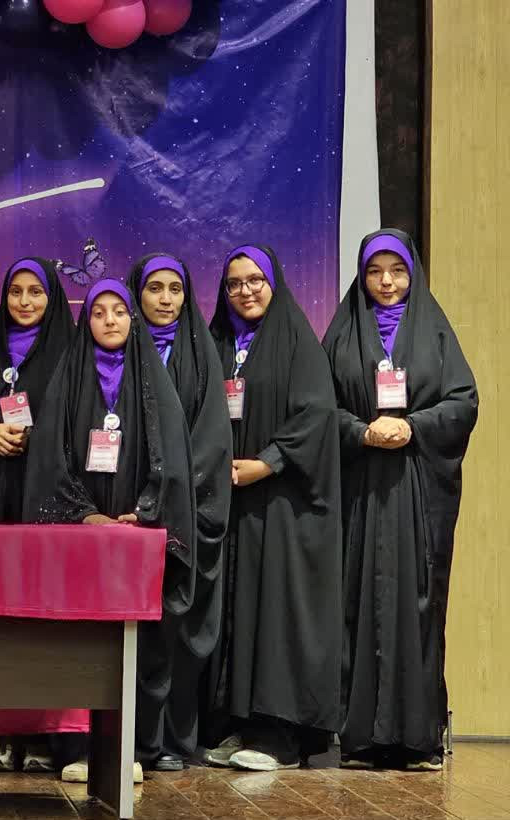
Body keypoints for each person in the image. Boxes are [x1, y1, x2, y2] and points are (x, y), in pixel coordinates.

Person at [23, 278, 196, 785]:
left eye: (118, 311)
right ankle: (77, 746)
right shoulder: (69, 377)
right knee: (79, 643)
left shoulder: (153, 380)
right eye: (98, 313)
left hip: (135, 541)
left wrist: (144, 511)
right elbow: (50, 460)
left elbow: (173, 461)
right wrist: (86, 516)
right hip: (80, 540)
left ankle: (131, 748)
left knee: (135, 643)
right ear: (87, 321)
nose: (110, 321)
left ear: (132, 318)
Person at [322, 230, 477, 771]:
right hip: (360, 488)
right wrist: (361, 431)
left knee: (417, 602)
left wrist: (413, 426)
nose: (386, 281)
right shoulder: (342, 335)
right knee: (357, 600)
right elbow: (318, 408)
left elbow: (463, 401)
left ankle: (418, 738)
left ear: (413, 274)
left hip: (416, 486)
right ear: (361, 277)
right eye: (374, 271)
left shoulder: (435, 330)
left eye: (397, 270)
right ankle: (360, 738)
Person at [203, 245, 342, 772]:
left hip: (284, 502)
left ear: (274, 282)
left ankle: (280, 736)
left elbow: (317, 414)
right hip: (231, 502)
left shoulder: (297, 340)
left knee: (278, 611)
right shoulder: (218, 342)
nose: (245, 291)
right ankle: (239, 723)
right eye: (235, 282)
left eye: (255, 280)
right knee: (239, 610)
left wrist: (268, 461)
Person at [126, 254, 232, 770]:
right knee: (131, 632)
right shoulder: (121, 348)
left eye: (175, 288)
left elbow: (212, 436)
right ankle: (125, 739)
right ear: (137, 294)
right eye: (155, 288)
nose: (165, 299)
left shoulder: (200, 351)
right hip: (132, 515)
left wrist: (174, 499)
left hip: (183, 518)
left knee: (177, 631)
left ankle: (170, 741)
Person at [0, 256, 73, 773]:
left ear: (52, 298)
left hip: (45, 499)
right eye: (16, 291)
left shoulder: (69, 350)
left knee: (39, 616)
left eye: (36, 292)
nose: (25, 301)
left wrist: (37, 438)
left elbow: (80, 416)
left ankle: (39, 735)